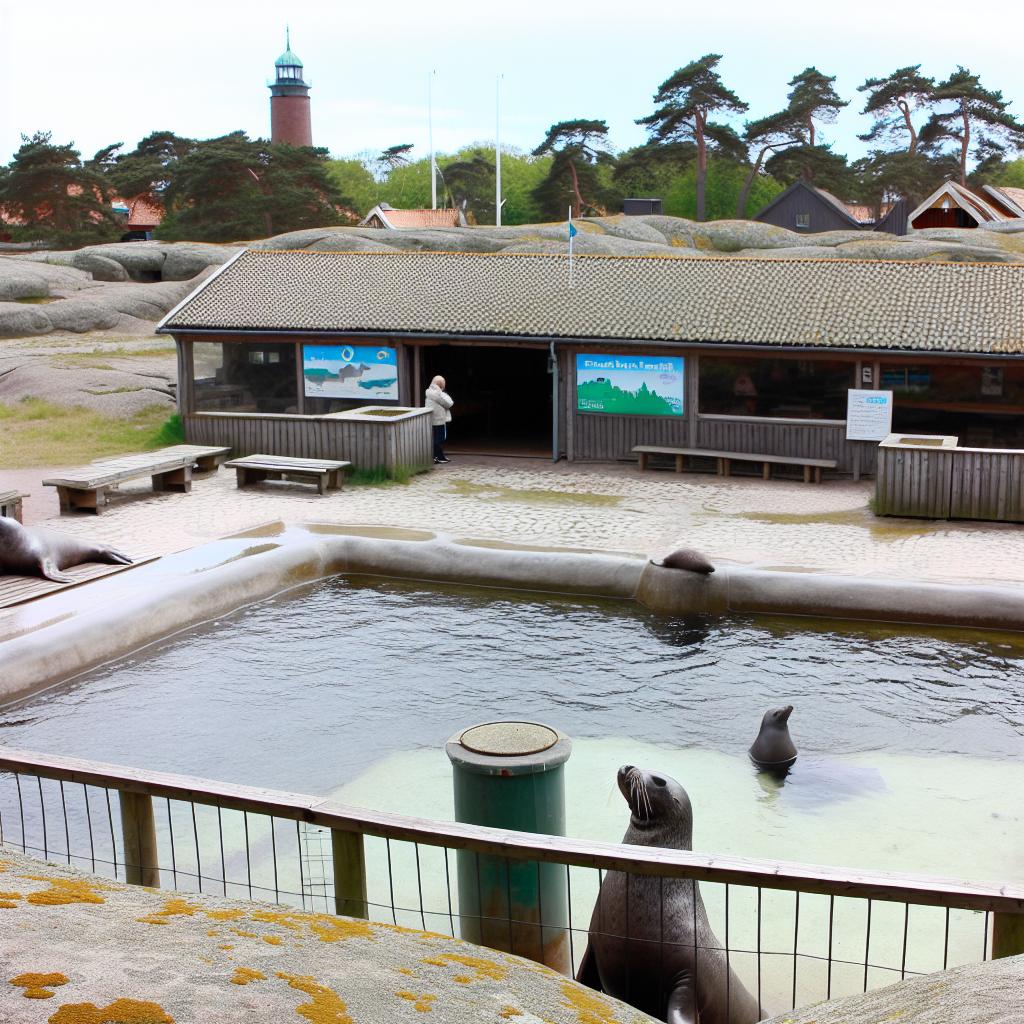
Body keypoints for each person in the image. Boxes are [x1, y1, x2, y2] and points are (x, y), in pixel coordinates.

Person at [425, 375, 454, 464]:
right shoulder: (438, 393)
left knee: (436, 439)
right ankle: (437, 457)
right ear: (441, 384)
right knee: (440, 439)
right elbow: (449, 403)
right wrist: (441, 392)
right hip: (440, 420)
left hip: (433, 420)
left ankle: (438, 456)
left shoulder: (429, 392)